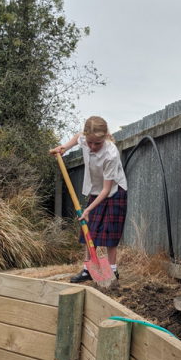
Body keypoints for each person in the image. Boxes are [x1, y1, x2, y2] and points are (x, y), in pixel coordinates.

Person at [50, 116, 128, 283]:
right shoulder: (86, 139)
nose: (92, 146)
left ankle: (112, 271)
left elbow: (107, 189)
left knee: (110, 231)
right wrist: (64, 147)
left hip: (114, 191)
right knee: (89, 230)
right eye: (90, 142)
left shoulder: (111, 154)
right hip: (95, 189)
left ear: (105, 137)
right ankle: (88, 269)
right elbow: (79, 137)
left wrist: (87, 209)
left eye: (97, 143)